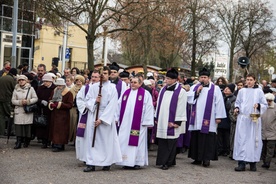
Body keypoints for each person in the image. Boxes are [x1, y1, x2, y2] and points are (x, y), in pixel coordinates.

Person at [76, 66, 122, 172]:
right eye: (101, 73)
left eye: (105, 73)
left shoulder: (112, 88)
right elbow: (87, 100)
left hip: (105, 117)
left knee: (105, 141)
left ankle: (106, 163)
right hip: (93, 114)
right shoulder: (94, 87)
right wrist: (95, 101)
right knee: (92, 139)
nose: (103, 75)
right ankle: (91, 163)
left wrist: (102, 119)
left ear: (109, 74)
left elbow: (112, 105)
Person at [187, 68, 226, 167]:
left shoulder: (215, 88)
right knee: (197, 137)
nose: (203, 79)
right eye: (201, 77)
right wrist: (196, 93)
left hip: (210, 119)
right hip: (196, 118)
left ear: (209, 78)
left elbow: (219, 103)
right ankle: (196, 158)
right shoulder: (195, 87)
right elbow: (189, 99)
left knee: (207, 139)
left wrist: (219, 116)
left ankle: (206, 159)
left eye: (205, 77)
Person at [116, 76, 154, 169]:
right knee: (124, 140)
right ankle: (125, 161)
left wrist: (146, 121)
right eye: (131, 82)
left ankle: (137, 162)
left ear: (140, 84)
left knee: (137, 142)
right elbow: (118, 105)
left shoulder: (145, 94)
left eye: (135, 82)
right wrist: (116, 118)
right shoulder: (125, 93)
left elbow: (149, 107)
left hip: (139, 123)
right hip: (125, 122)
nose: (132, 84)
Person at [233, 73, 267, 172]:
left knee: (253, 140)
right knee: (241, 140)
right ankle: (241, 163)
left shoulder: (259, 91)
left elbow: (265, 104)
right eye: (247, 79)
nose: (249, 81)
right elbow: (238, 102)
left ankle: (253, 163)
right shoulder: (241, 91)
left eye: (251, 79)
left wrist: (259, 105)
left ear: (255, 80)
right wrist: (237, 108)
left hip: (254, 118)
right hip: (243, 118)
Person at [155, 68, 187, 170]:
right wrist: (156, 117)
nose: (166, 80)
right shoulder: (163, 89)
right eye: (166, 78)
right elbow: (159, 104)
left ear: (174, 80)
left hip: (173, 120)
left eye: (168, 78)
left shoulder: (181, 92)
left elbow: (182, 107)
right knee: (162, 141)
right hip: (162, 119)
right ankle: (162, 161)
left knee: (171, 142)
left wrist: (177, 122)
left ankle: (167, 162)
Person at [12, 75, 38, 149]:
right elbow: (13, 100)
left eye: (22, 80)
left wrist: (28, 101)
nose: (21, 81)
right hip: (19, 110)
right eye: (19, 80)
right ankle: (19, 142)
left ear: (26, 81)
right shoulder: (16, 89)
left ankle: (26, 141)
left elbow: (35, 98)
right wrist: (20, 102)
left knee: (27, 127)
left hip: (27, 110)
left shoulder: (31, 89)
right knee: (18, 127)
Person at [48, 78, 73, 152]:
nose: (58, 87)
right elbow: (50, 99)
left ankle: (60, 144)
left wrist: (60, 104)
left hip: (63, 115)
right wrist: (51, 104)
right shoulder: (54, 91)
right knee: (54, 129)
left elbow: (70, 105)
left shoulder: (68, 93)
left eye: (60, 86)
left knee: (61, 130)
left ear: (63, 85)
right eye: (57, 85)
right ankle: (55, 143)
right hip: (55, 114)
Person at [35, 73, 56, 148]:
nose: (45, 83)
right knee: (43, 125)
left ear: (50, 81)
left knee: (50, 125)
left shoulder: (54, 88)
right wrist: (41, 101)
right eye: (44, 81)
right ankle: (44, 141)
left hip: (51, 109)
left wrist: (51, 102)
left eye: (47, 81)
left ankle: (49, 140)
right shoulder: (40, 88)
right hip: (42, 109)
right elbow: (36, 98)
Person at [217, 83, 236, 157]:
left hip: (228, 118)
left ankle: (226, 149)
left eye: (228, 88)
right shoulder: (221, 96)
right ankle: (219, 149)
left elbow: (229, 108)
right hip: (221, 117)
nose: (226, 89)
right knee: (219, 134)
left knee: (226, 135)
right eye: (226, 88)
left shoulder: (233, 98)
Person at [0, 68, 17, 136]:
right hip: (7, 99)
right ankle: (12, 131)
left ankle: (1, 132)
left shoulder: (2, 78)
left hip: (0, 99)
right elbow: (15, 89)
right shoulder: (11, 79)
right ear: (14, 74)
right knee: (11, 115)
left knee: (1, 116)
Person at [261, 93, 276, 169]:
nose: (268, 102)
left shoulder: (275, 108)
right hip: (263, 131)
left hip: (272, 132)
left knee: (270, 149)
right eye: (267, 100)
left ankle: (267, 162)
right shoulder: (262, 108)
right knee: (263, 149)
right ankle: (264, 161)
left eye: (270, 101)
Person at [69, 75, 85, 144]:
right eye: (77, 81)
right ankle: (72, 139)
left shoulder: (84, 89)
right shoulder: (72, 89)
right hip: (73, 108)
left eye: (80, 81)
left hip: (81, 109)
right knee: (72, 123)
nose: (78, 83)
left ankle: (77, 140)